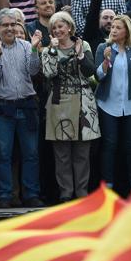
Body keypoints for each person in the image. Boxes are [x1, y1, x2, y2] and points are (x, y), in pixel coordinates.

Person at [0, 9, 45, 208]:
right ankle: (4, 195)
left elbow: (33, 71)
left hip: (27, 105)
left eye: (13, 24)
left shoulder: (27, 45)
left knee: (31, 154)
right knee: (3, 154)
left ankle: (31, 194)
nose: (10, 28)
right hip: (3, 107)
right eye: (5, 25)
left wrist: (36, 50)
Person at [41, 11, 99, 202]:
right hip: (60, 101)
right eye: (54, 28)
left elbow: (91, 70)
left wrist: (81, 53)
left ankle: (82, 192)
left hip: (84, 102)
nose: (58, 30)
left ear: (70, 27)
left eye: (61, 26)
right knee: (62, 153)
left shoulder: (84, 44)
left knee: (82, 153)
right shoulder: (48, 49)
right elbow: (48, 74)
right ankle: (66, 193)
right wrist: (51, 50)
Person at [94, 15, 131, 198]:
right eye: (112, 27)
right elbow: (98, 76)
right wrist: (106, 61)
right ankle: (107, 186)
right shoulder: (104, 48)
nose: (113, 30)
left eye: (118, 27)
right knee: (110, 144)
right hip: (108, 103)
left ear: (127, 30)